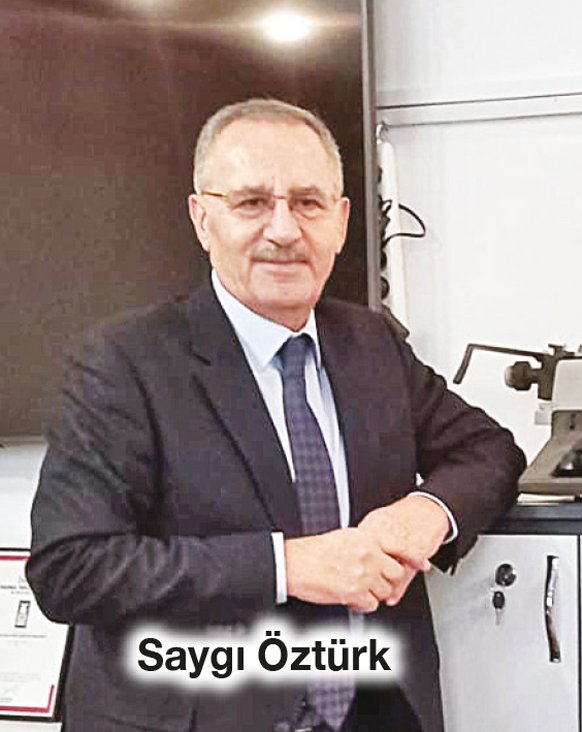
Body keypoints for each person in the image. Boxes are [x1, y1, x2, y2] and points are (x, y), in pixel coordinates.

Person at [27, 98, 525, 732]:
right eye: (252, 202)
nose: (285, 230)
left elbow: (489, 450)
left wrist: (428, 513)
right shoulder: (123, 364)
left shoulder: (371, 344)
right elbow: (72, 567)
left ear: (341, 222)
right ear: (203, 219)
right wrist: (286, 567)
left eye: (309, 203)